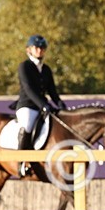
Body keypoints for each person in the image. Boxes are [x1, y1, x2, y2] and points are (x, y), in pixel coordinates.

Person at [12, 34, 65, 177]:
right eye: (37, 48)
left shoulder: (46, 69)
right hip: (27, 106)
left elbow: (52, 91)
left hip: (42, 106)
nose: (40, 51)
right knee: (27, 125)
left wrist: (61, 105)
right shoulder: (24, 66)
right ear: (29, 50)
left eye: (42, 48)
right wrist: (43, 105)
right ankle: (21, 162)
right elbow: (28, 89)